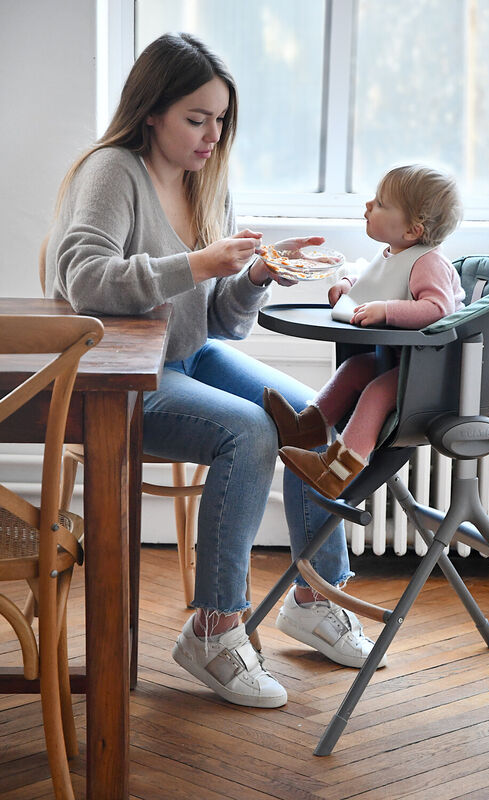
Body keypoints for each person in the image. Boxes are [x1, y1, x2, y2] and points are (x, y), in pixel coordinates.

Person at [45, 32, 384, 710]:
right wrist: (199, 263)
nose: (212, 134)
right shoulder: (113, 171)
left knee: (311, 417)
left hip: (186, 352)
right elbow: (82, 279)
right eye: (196, 119)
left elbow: (219, 323)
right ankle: (214, 628)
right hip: (118, 372)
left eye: (220, 119)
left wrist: (255, 276)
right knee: (251, 433)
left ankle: (315, 597)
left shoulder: (206, 182)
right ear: (151, 113)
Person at [264, 164, 465, 499]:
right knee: (355, 369)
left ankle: (336, 471)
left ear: (413, 231)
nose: (368, 206)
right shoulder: (395, 254)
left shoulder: (428, 262)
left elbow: (438, 309)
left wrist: (386, 310)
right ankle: (305, 429)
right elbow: (372, 279)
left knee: (376, 392)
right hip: (404, 363)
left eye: (381, 204)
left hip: (432, 374)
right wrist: (347, 285)